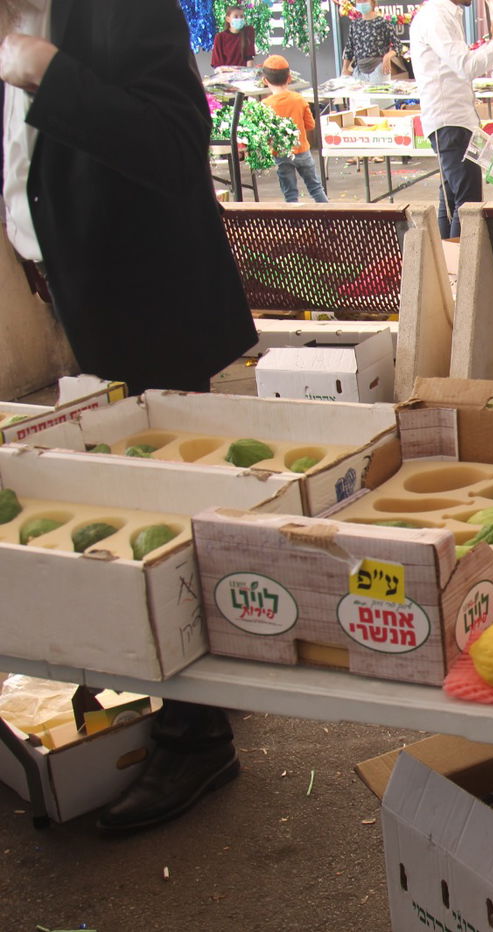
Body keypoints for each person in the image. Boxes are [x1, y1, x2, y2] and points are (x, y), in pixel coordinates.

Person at [0, 0, 257, 831]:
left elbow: (177, 149)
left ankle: (197, 736)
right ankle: (185, 690)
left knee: (174, 525)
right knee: (131, 519)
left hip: (155, 309)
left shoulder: (116, 9)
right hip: (81, 298)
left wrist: (46, 71)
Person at [411, 0, 493, 239]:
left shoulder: (445, 14)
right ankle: (461, 270)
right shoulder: (436, 16)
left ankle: (445, 269)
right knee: (467, 206)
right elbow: (466, 66)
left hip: (454, 122)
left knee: (453, 202)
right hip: (450, 123)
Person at [262, 55, 329, 203]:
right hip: (302, 151)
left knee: (290, 194)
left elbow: (264, 134)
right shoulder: (299, 99)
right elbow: (311, 125)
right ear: (289, 78)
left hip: (281, 154)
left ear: (265, 81)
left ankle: (294, 224)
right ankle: (329, 219)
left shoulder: (265, 104)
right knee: (316, 188)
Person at [342, 0, 399, 82]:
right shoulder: (354, 24)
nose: (361, 3)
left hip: (379, 69)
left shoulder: (384, 23)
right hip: (359, 70)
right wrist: (344, 70)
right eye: (358, 1)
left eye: (364, 0)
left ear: (373, 2)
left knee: (378, 94)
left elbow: (398, 46)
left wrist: (388, 56)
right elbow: (349, 49)